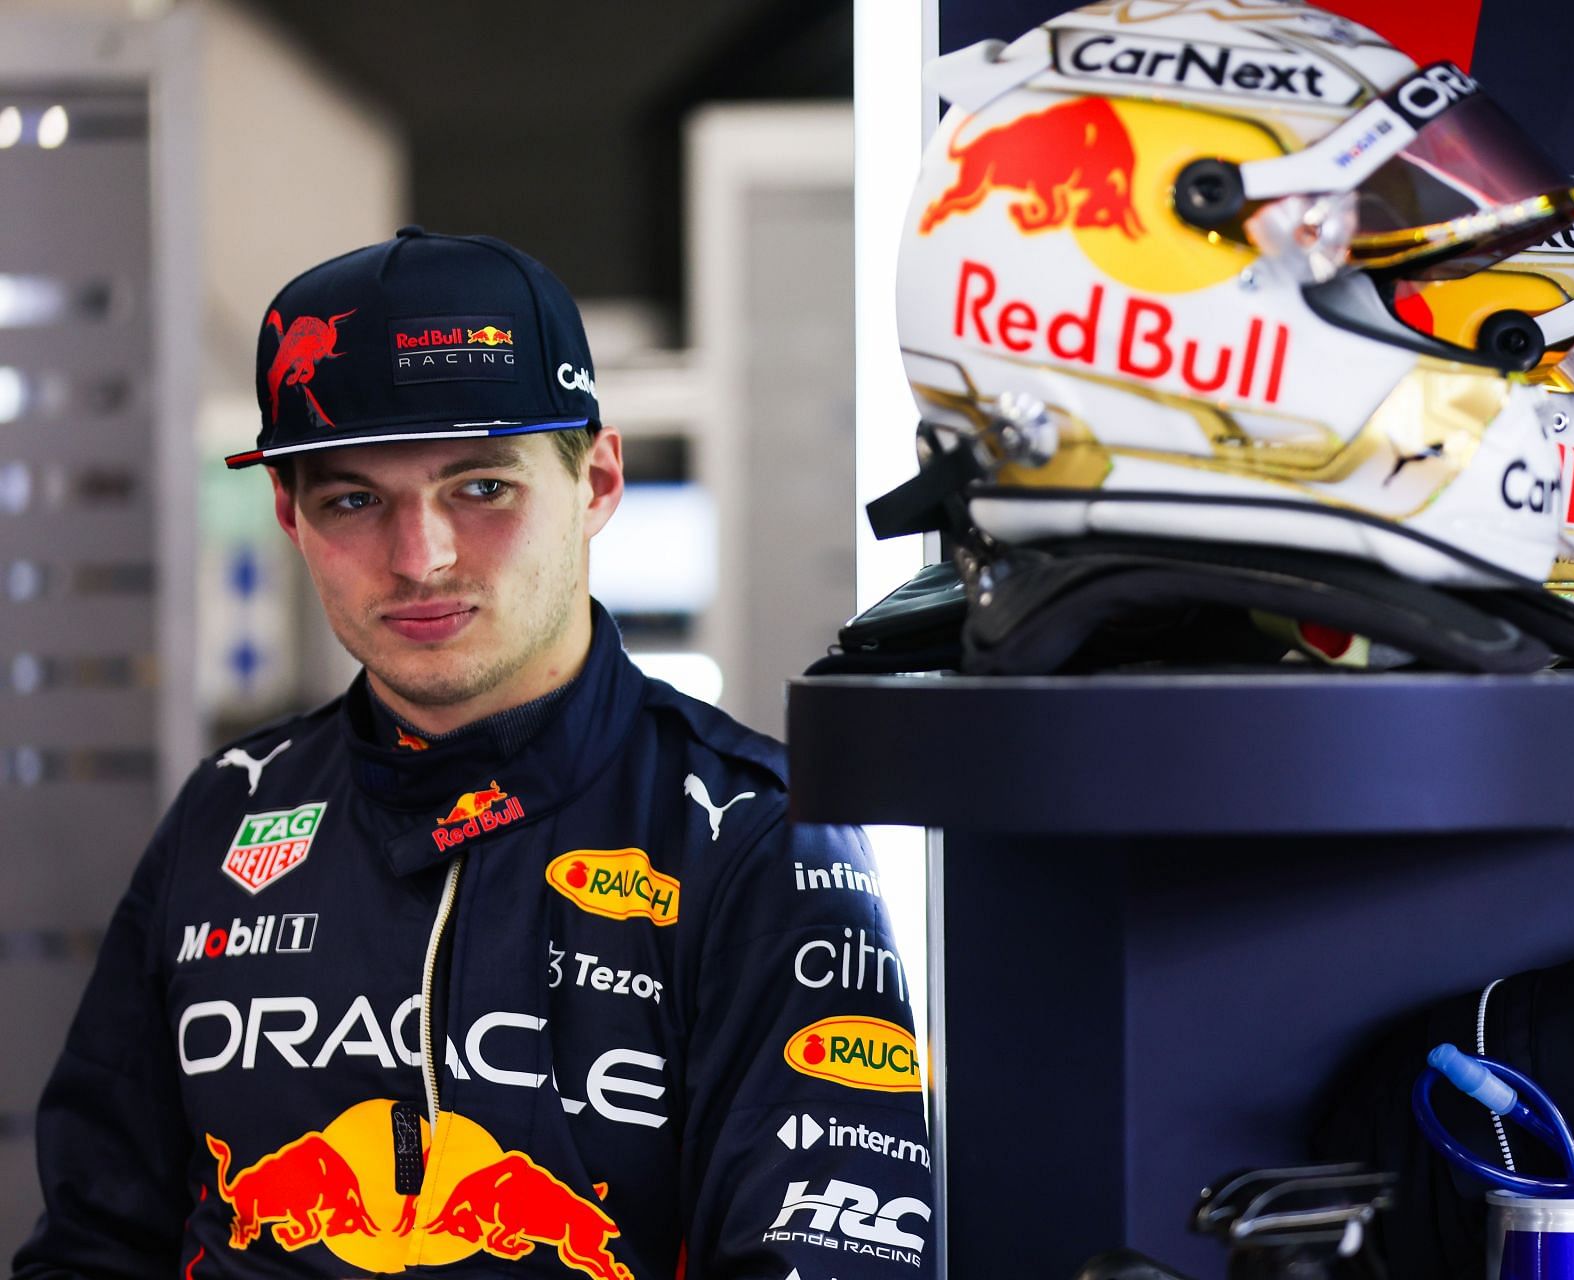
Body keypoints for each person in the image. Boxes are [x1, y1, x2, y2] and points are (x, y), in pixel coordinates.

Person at [13, 228, 934, 1280]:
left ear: (595, 481)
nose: (422, 558)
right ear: (290, 515)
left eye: (481, 487)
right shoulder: (227, 813)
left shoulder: (755, 837)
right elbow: (92, 1247)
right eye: (354, 500)